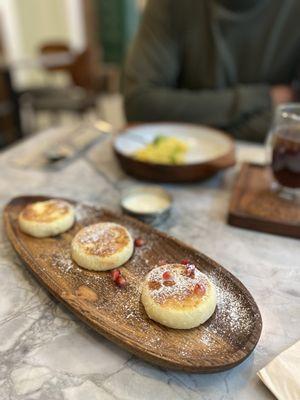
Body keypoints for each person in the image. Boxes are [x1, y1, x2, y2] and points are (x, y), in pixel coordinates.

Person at [123, 0, 300, 142]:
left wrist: (195, 119)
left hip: (266, 173)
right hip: (182, 166)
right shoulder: (172, 5)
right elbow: (140, 105)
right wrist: (263, 98)